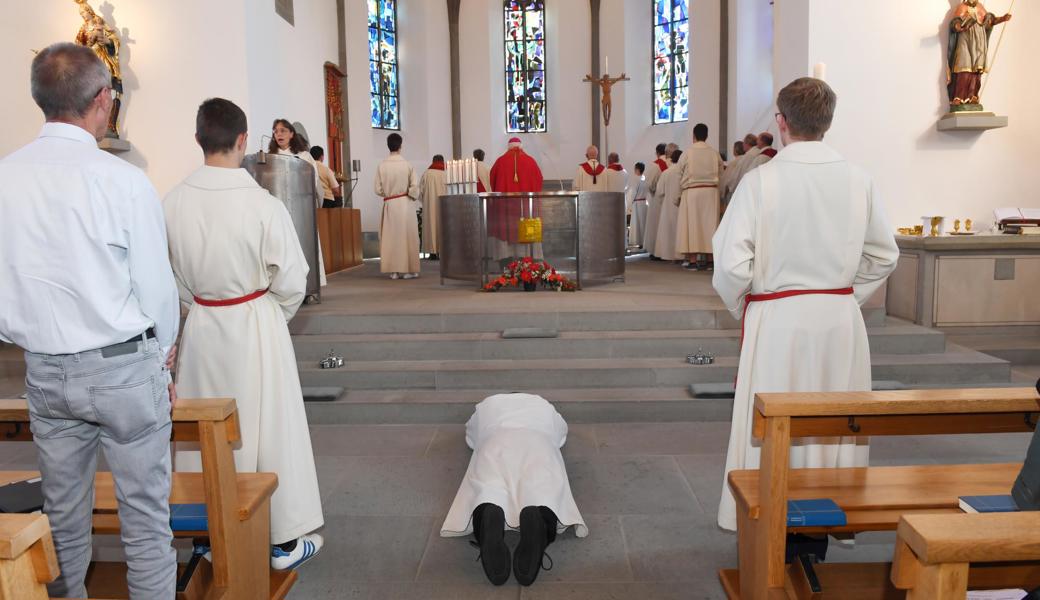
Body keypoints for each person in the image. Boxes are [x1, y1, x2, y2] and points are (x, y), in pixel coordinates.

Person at [0, 42, 179, 599]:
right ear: (102, 100)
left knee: (64, 517)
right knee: (146, 522)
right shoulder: (121, 180)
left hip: (46, 371)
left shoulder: (4, 178)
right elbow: (156, 285)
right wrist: (164, 357)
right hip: (123, 367)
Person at [712, 77, 900, 532]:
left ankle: (774, 522)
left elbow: (732, 265)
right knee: (836, 421)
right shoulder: (859, 180)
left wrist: (750, 306)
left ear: (781, 122)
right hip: (840, 324)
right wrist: (842, 297)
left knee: (775, 427)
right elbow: (884, 255)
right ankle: (827, 517)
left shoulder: (761, 182)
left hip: (777, 322)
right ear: (828, 122)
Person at [165, 98, 324, 570]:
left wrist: (200, 307)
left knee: (203, 434)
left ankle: (205, 537)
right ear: (241, 141)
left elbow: (168, 277)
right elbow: (294, 278)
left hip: (204, 327)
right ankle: (280, 543)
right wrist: (268, 314)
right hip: (256, 326)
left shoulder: (171, 202)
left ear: (197, 140)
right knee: (269, 428)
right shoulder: (262, 203)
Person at [441, 393, 588, 587]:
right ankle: (540, 522)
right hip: (537, 440)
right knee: (544, 487)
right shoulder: (544, 406)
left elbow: (471, 436)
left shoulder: (486, 405)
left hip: (496, 439)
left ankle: (487, 516)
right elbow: (560, 434)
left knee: (488, 486)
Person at [270, 119, 327, 286]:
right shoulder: (270, 157)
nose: (278, 134)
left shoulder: (304, 156)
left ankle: (309, 284)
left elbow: (312, 178)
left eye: (282, 130)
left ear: (291, 134)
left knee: (303, 244)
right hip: (279, 207)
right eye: (275, 131)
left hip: (301, 207)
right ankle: (285, 285)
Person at [676, 123, 724, 270]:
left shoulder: (688, 152)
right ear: (707, 135)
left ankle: (692, 261)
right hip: (711, 192)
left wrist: (678, 194)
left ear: (694, 136)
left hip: (692, 191)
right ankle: (710, 261)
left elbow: (679, 171)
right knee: (710, 226)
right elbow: (721, 172)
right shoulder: (714, 153)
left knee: (693, 225)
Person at [947, 0, 1012, 108]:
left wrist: (1003, 19)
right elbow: (955, 22)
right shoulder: (962, 6)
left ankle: (973, 96)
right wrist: (959, 26)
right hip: (966, 40)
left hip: (979, 42)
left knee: (977, 69)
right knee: (964, 66)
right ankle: (958, 97)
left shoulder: (980, 6)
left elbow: (990, 20)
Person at [489, 138, 544, 261]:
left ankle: (506, 261)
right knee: (525, 227)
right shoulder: (531, 161)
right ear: (521, 146)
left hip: (505, 208)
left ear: (508, 147)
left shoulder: (500, 161)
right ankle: (528, 260)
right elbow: (539, 180)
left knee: (507, 228)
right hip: (526, 207)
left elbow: (492, 180)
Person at [375, 132, 420, 279]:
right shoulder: (407, 165)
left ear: (388, 147)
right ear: (401, 146)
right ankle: (409, 270)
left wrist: (388, 194)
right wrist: (410, 194)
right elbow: (414, 187)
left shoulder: (382, 166)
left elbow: (378, 189)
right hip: (405, 204)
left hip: (390, 204)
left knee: (392, 237)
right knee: (408, 236)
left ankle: (394, 271)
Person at [645, 142, 679, 259]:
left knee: (658, 227)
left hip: (658, 200)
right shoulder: (680, 165)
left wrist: (653, 191)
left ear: (659, 153)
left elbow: (649, 184)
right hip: (677, 200)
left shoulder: (657, 165)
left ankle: (657, 252)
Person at [653, 148, 684, 262]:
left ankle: (668, 254)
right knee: (680, 231)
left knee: (668, 231)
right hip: (681, 204)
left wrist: (663, 202)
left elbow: (659, 191)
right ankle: (681, 255)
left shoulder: (666, 172)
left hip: (667, 206)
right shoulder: (683, 172)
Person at [419, 154, 447, 260]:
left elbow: (419, 192)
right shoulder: (447, 173)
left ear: (433, 161)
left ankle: (433, 253)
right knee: (443, 226)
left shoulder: (426, 174)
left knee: (431, 227)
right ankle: (444, 251)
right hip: (444, 206)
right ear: (442, 161)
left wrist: (426, 202)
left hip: (430, 207)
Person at [628, 162, 648, 248]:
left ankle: (639, 241)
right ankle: (644, 241)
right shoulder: (645, 179)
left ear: (637, 169)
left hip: (637, 203)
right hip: (644, 203)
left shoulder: (636, 179)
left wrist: (629, 204)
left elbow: (633, 192)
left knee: (637, 224)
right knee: (643, 223)